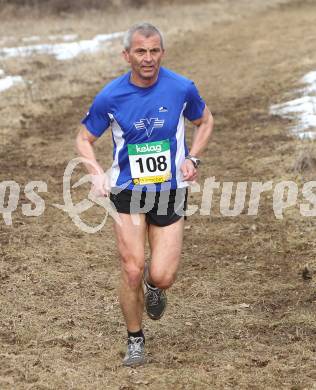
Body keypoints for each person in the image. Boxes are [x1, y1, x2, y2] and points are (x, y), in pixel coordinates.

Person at [76, 22, 213, 367]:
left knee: (161, 275)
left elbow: (205, 121)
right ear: (127, 55)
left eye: (154, 51)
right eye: (140, 51)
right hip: (128, 190)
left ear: (162, 53)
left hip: (169, 191)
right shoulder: (110, 96)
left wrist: (193, 157)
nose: (148, 58)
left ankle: (155, 290)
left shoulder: (181, 88)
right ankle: (135, 339)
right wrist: (96, 174)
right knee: (132, 269)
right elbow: (83, 138)